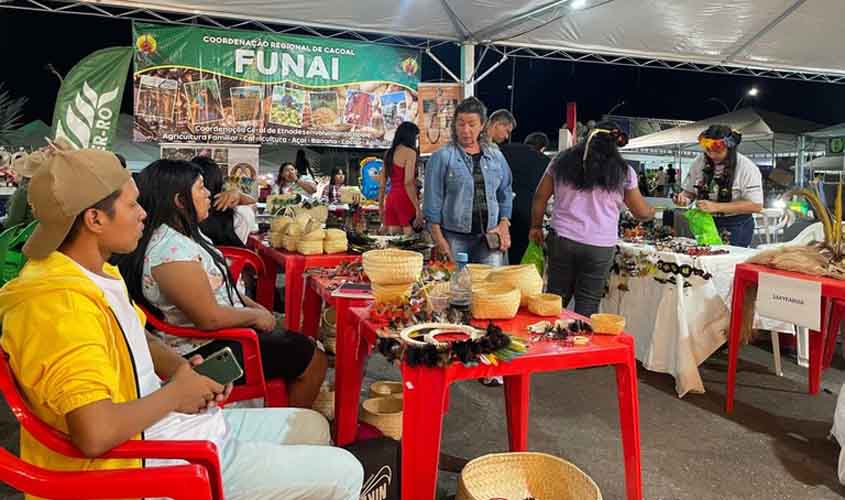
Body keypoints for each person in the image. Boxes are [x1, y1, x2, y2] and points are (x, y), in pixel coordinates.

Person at [0, 144, 363, 500]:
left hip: (171, 424)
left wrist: (183, 371)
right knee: (348, 470)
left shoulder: (93, 274)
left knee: (313, 424)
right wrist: (175, 393)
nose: (143, 213)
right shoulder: (58, 305)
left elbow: (136, 334)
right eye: (131, 205)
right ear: (94, 219)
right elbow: (95, 433)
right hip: (155, 461)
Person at [118, 160, 327, 408]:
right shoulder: (170, 252)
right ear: (179, 200)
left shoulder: (186, 235)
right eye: (201, 188)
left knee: (301, 344)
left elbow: (222, 287)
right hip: (202, 353)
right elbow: (210, 318)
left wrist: (254, 308)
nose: (209, 194)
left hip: (222, 336)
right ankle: (289, 426)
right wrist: (255, 317)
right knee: (314, 358)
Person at [530, 122, 655, 317]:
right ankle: (581, 344)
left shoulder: (561, 161)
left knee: (555, 299)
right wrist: (651, 212)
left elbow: (540, 196)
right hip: (599, 246)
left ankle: (548, 342)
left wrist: (536, 226)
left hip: (562, 239)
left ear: (587, 137)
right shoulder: (624, 171)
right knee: (588, 303)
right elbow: (640, 211)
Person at [424, 97, 513, 265]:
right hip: (454, 237)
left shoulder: (495, 156)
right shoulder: (442, 157)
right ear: (454, 125)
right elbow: (432, 201)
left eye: (471, 124)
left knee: (489, 287)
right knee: (457, 287)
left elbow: (505, 191)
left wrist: (504, 224)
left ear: (482, 125)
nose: (466, 130)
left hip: (490, 237)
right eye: (461, 124)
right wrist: (439, 240)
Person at [673, 125, 763, 247]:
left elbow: (756, 205)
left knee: (728, 262)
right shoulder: (699, 162)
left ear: (730, 148)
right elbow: (689, 192)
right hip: (705, 221)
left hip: (735, 224)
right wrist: (684, 198)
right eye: (708, 150)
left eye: (718, 151)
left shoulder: (747, 167)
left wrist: (716, 207)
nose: (712, 155)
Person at [500, 131, 551, 265]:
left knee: (497, 251)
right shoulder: (545, 161)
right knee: (517, 253)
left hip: (501, 211)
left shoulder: (505, 149)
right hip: (527, 212)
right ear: (543, 148)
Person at [192, 155, 257, 247]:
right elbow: (252, 206)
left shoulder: (183, 216)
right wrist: (239, 195)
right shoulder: (241, 213)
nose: (207, 193)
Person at [380, 121, 422, 235]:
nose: (417, 141)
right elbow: (408, 182)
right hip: (405, 198)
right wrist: (417, 208)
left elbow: (382, 184)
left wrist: (380, 207)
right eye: (417, 137)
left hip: (391, 198)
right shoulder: (410, 152)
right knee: (409, 242)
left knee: (394, 241)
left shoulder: (388, 153)